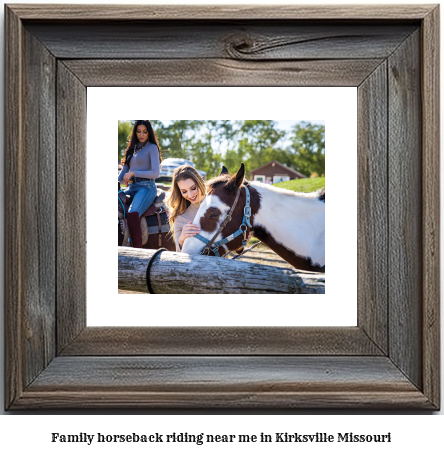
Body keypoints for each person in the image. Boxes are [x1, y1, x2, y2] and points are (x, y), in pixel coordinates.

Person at [118, 120, 161, 248]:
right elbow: (122, 174)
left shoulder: (152, 148)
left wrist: (134, 173)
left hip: (147, 188)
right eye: (138, 131)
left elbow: (156, 173)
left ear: (149, 133)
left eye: (144, 132)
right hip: (132, 187)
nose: (141, 134)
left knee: (132, 212)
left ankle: (137, 251)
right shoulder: (132, 149)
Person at [166, 165, 206, 251]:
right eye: (184, 191)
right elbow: (179, 254)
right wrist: (182, 239)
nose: (190, 195)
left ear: (199, 182)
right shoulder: (180, 219)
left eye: (193, 188)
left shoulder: (218, 202)